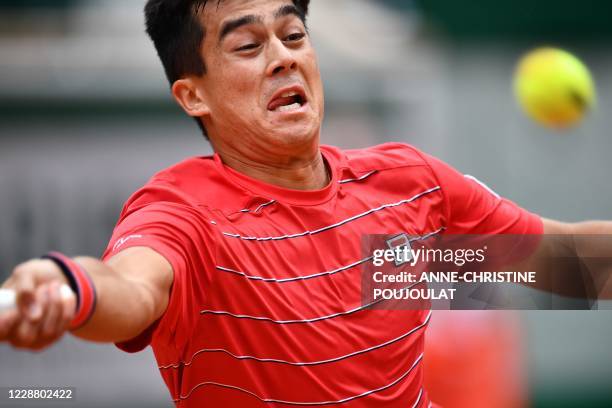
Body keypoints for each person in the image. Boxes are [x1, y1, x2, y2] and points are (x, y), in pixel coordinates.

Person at [0, 0, 609, 406]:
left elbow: (566, 265)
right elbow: (132, 291)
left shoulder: (408, 186)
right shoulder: (183, 211)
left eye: (293, 35)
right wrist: (69, 288)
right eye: (247, 46)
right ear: (192, 95)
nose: (284, 56)